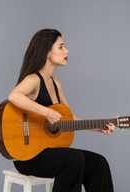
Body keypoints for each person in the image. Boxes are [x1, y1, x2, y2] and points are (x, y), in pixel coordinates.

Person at [8, 29, 115, 192]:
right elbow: (14, 96)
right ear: (47, 52)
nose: (67, 51)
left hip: (51, 153)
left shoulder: (56, 83)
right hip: (29, 156)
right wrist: (46, 112)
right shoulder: (33, 79)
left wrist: (96, 127)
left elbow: (67, 117)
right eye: (61, 47)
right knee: (74, 159)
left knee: (98, 163)